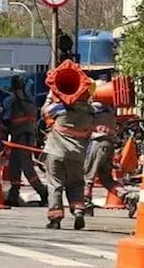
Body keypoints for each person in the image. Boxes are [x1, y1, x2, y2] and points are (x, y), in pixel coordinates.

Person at [41, 87, 94, 230]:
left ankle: (55, 219)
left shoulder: (59, 109)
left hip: (56, 152)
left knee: (55, 184)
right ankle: (78, 211)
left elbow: (44, 111)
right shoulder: (90, 112)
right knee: (76, 184)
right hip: (77, 155)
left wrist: (51, 96)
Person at [81, 85, 133, 214]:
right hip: (108, 144)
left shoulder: (94, 107)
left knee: (88, 176)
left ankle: (86, 204)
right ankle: (127, 196)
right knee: (106, 179)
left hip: (97, 142)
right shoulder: (109, 109)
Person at [0, 76, 48, 207]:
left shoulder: (11, 101)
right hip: (25, 137)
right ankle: (13, 195)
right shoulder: (29, 101)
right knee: (14, 167)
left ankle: (43, 192)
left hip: (21, 137)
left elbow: (5, 121)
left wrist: (1, 138)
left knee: (26, 168)